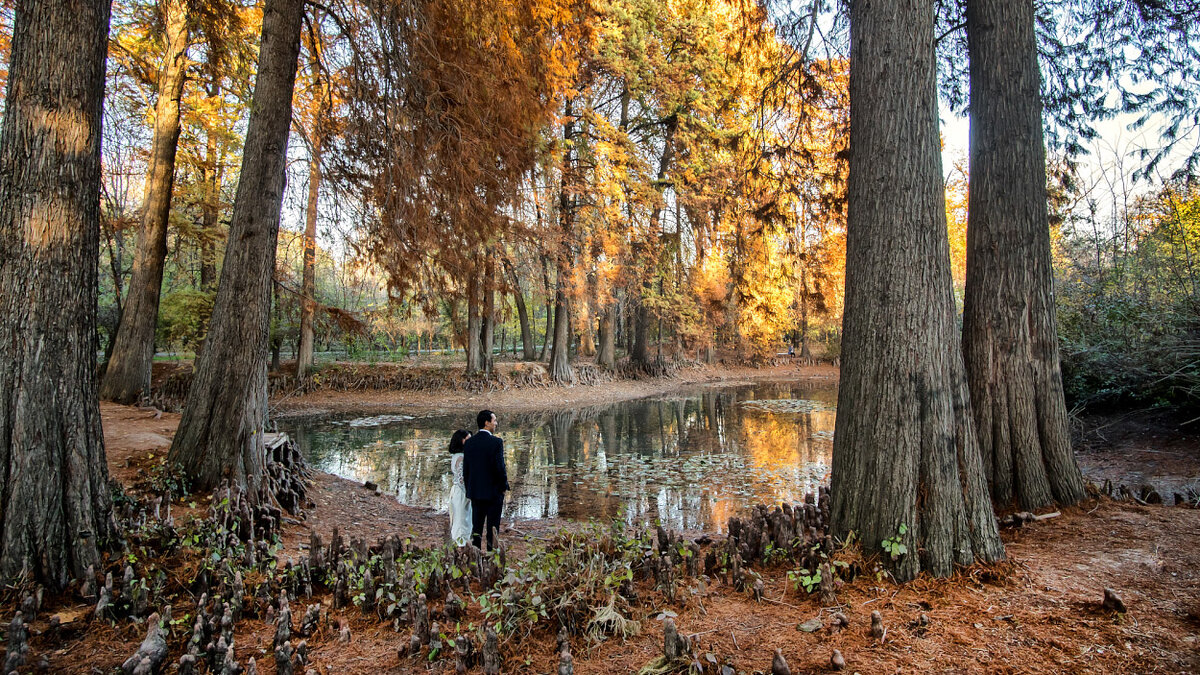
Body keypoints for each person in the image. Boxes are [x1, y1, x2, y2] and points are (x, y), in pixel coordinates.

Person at [461, 409, 509, 550]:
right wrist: (503, 487)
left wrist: (469, 489)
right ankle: (491, 555)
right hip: (493, 492)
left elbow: (466, 470)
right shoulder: (496, 442)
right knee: (493, 527)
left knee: (476, 526)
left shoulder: (469, 443)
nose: (496, 423)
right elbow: (500, 467)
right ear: (487, 423)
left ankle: (475, 554)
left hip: (476, 492)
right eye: (494, 421)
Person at [447, 429, 473, 545]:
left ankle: (462, 543)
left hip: (460, 491)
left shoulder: (459, 455)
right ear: (462, 441)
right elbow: (461, 479)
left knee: (464, 520)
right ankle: (460, 545)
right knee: (461, 520)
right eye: (468, 439)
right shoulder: (460, 457)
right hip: (462, 493)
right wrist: (470, 494)